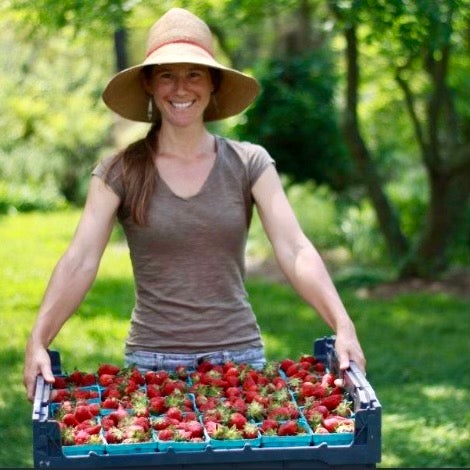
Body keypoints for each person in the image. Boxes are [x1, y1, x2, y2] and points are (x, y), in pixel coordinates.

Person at [23, 7, 365, 401]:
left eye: (194, 73)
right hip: (152, 364)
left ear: (213, 84)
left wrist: (342, 323)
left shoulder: (249, 162)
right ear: (149, 84)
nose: (181, 89)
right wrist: (38, 339)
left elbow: (294, 248)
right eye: (167, 74)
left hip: (239, 361)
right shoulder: (120, 171)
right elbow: (80, 259)